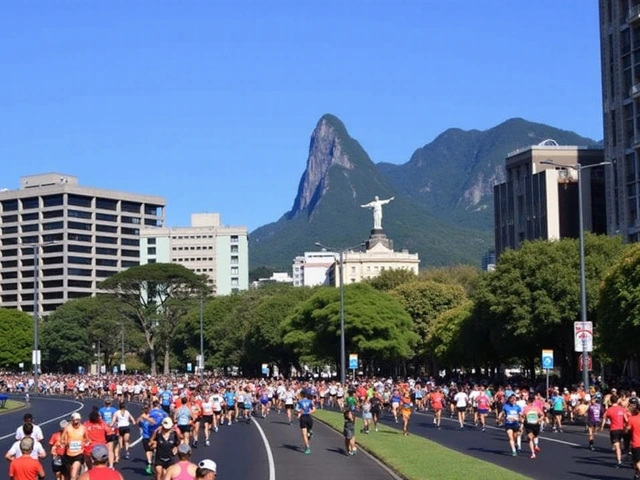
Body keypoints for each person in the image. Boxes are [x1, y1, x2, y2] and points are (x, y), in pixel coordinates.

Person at [601, 395, 628, 468]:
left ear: (610, 401)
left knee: (617, 446)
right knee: (623, 443)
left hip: (614, 429)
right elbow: (626, 419)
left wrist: (602, 427)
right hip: (622, 429)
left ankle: (619, 461)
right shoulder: (622, 409)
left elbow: (604, 418)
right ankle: (627, 454)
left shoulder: (609, 410)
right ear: (617, 401)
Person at [62, 412, 90, 480]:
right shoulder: (67, 428)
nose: (76, 422)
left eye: (77, 420)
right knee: (71, 474)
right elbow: (62, 440)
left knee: (73, 475)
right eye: (74, 420)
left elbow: (88, 440)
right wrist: (66, 443)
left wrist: (84, 443)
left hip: (79, 454)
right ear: (72, 420)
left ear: (80, 420)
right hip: (68, 454)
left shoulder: (83, 428)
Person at [137, 404, 159, 475]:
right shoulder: (143, 417)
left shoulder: (151, 417)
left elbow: (154, 423)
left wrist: (145, 418)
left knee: (150, 450)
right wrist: (141, 417)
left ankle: (151, 461)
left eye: (146, 409)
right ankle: (149, 463)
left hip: (151, 436)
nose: (146, 410)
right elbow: (137, 423)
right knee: (148, 450)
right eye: (145, 409)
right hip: (146, 436)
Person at [98, 398, 118, 469]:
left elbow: (99, 419)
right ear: (111, 403)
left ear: (104, 403)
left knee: (104, 446)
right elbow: (116, 419)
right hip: (111, 429)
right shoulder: (114, 410)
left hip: (104, 429)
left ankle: (104, 462)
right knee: (110, 448)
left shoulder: (101, 410)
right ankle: (111, 465)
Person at [625, 398, 640, 480]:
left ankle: (637, 473)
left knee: (637, 462)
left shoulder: (632, 419)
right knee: (635, 462)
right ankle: (637, 474)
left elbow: (626, 430)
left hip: (636, 443)